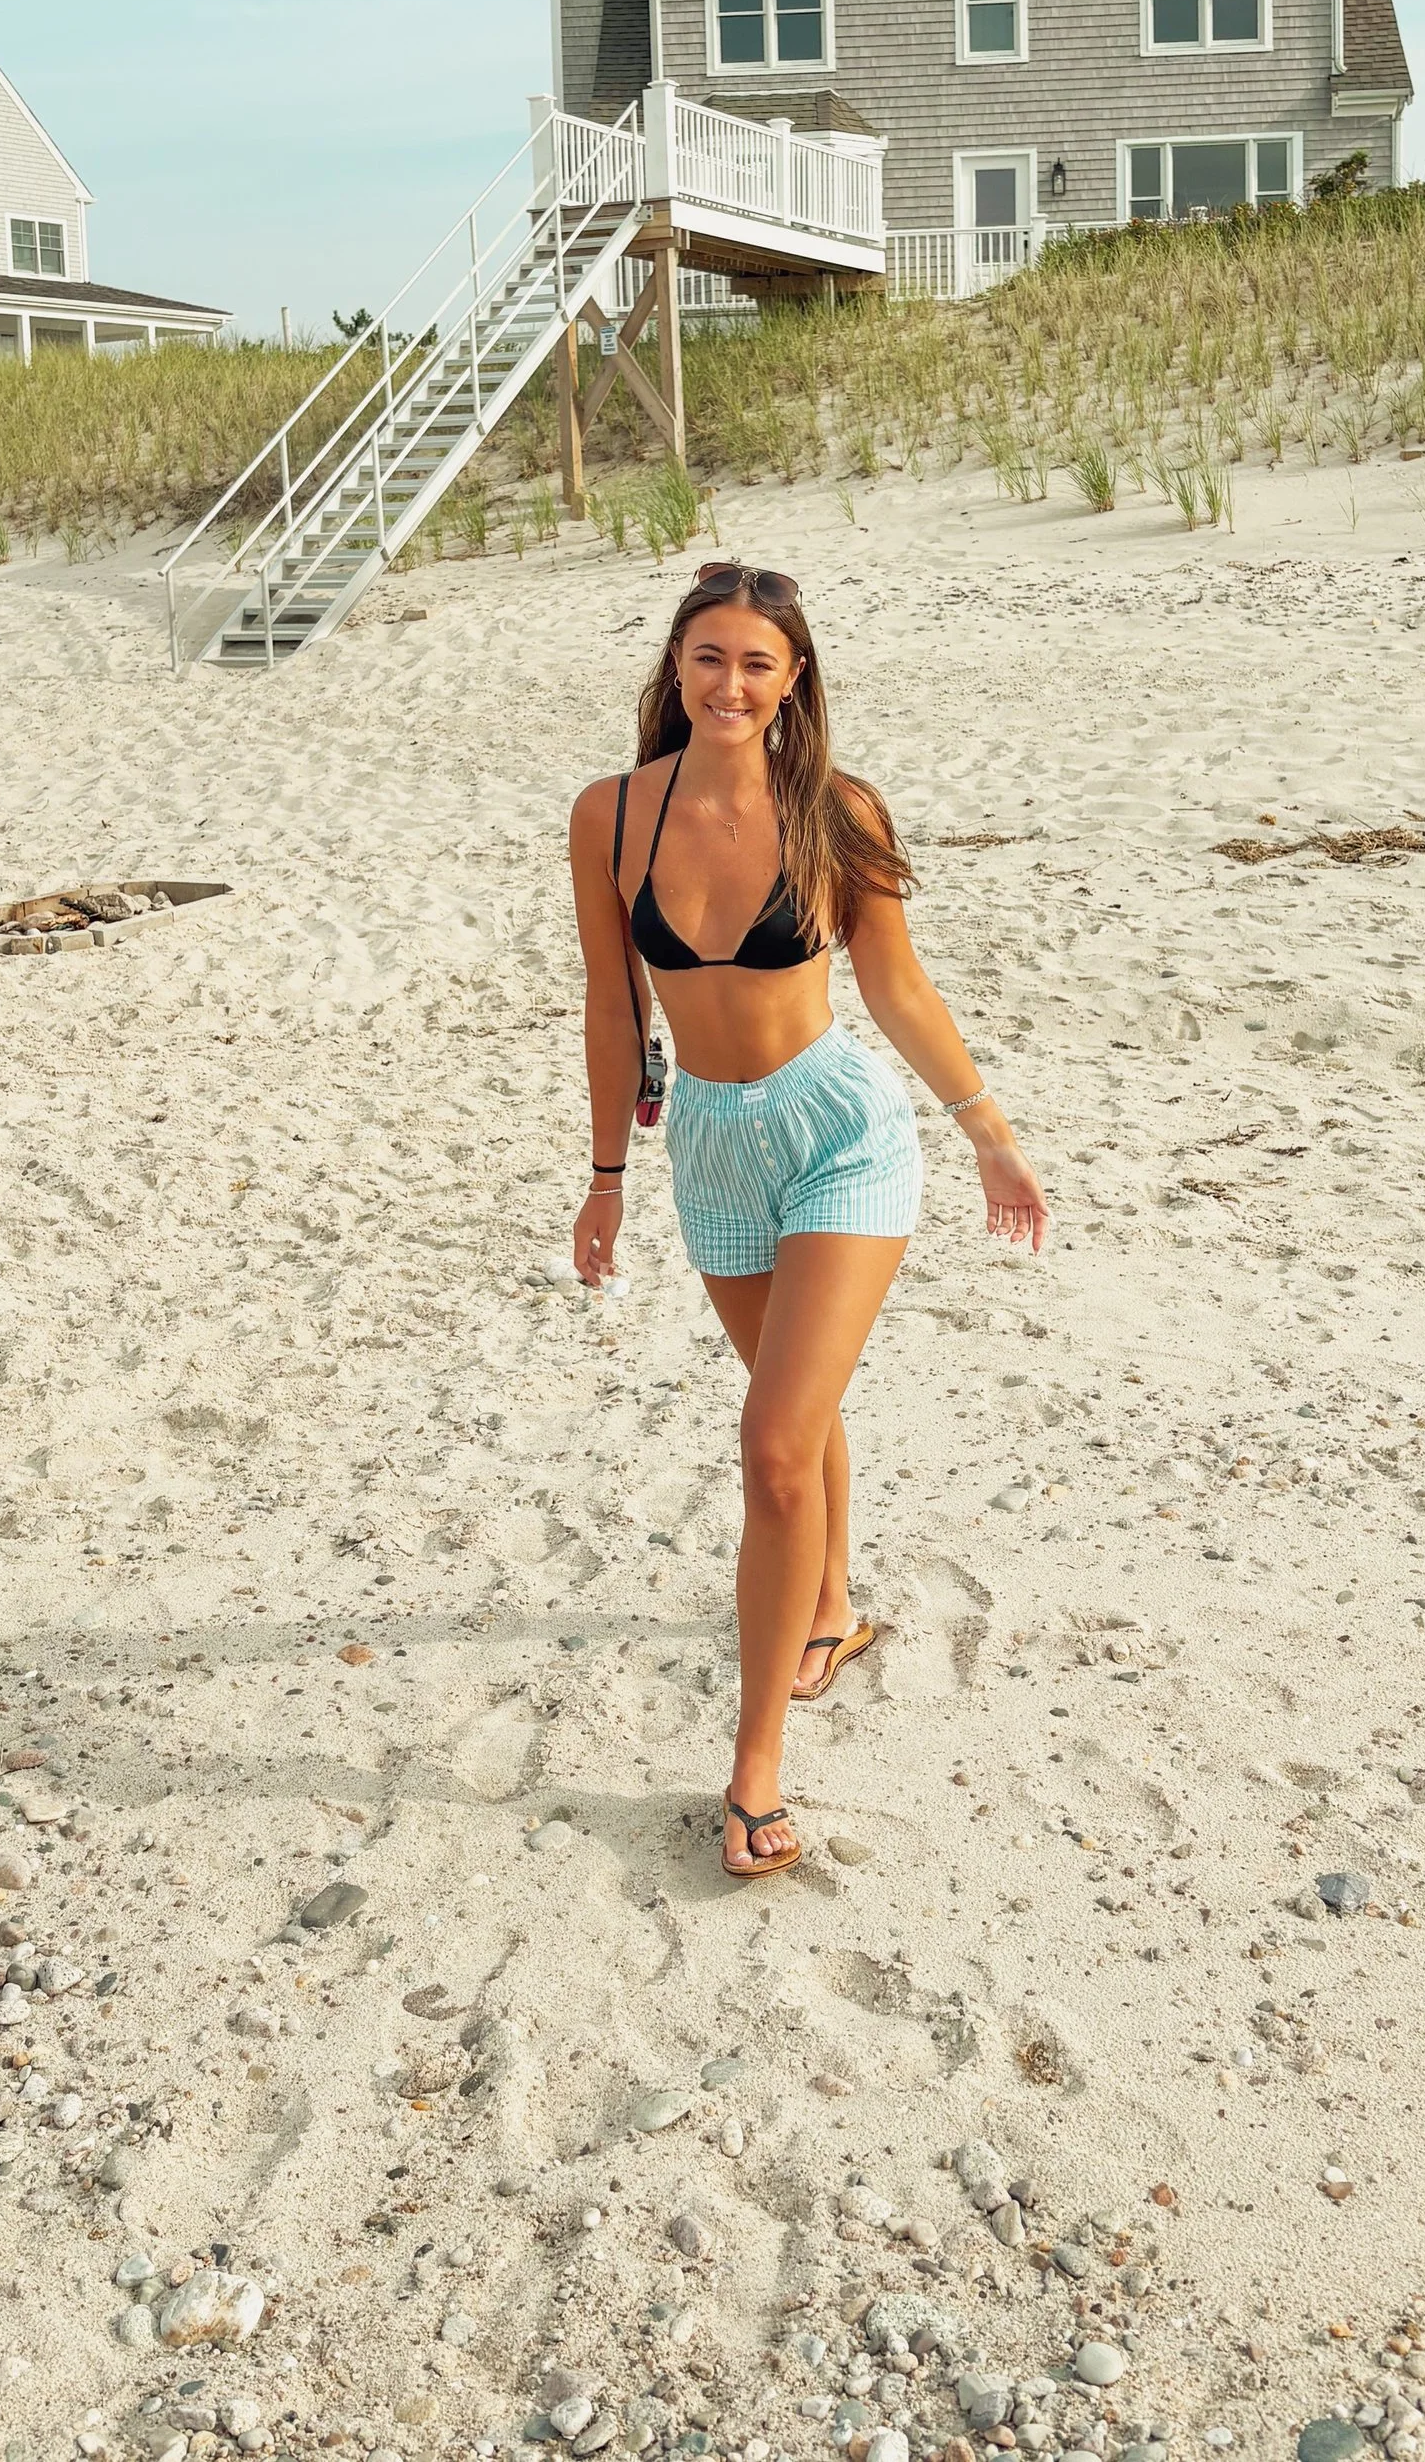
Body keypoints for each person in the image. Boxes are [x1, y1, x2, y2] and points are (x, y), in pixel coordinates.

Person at [567, 559, 1048, 1882]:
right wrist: (606, 1176)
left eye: (757, 664)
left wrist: (990, 1139)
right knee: (803, 1408)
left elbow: (895, 987)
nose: (730, 684)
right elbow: (619, 1010)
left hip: (840, 1132)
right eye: (708, 657)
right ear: (676, 667)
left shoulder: (838, 812)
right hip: (713, 1150)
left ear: (794, 682)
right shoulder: (609, 819)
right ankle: (832, 1602)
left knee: (773, 1441)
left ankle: (755, 1765)